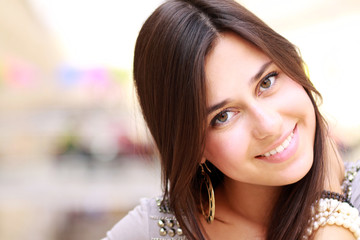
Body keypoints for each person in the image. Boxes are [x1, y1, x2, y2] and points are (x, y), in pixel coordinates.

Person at [103, 0, 360, 239]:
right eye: (223, 116)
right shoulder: (150, 231)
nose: (269, 125)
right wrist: (330, 207)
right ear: (191, 145)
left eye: (267, 82)